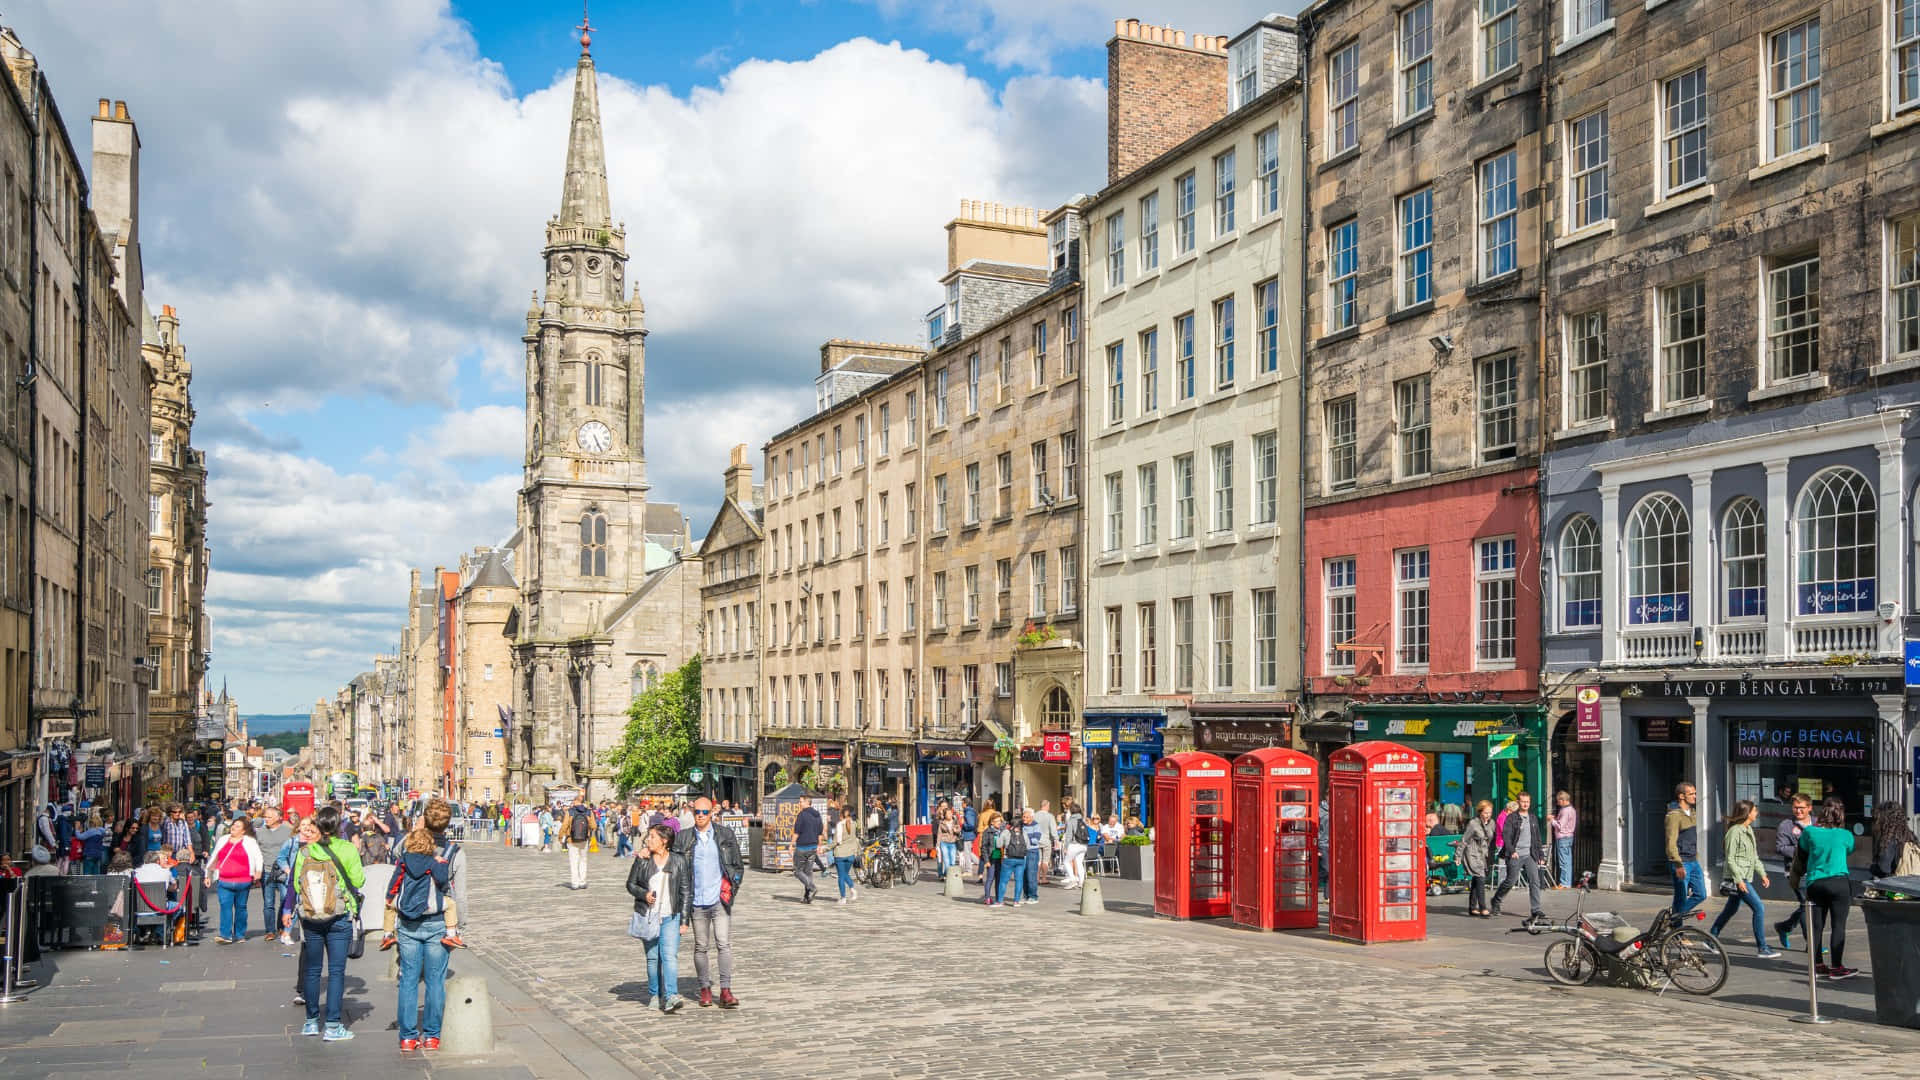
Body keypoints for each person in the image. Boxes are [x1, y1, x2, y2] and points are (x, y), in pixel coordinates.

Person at [289, 806, 367, 1041]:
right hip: (339, 916)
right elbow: (359, 880)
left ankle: (311, 1022)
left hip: (311, 917)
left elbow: (296, 886)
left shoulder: (305, 852)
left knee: (312, 971)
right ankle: (333, 1025)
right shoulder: (346, 849)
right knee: (336, 971)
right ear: (338, 825)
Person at [387, 811, 461, 1052]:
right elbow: (443, 882)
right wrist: (439, 864)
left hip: (408, 924)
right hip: (435, 923)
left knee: (408, 980)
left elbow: (393, 883)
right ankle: (431, 1036)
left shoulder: (403, 860)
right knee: (435, 981)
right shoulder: (434, 862)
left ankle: (408, 1037)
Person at [670, 797, 742, 1008]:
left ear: (712, 813)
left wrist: (732, 889)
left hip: (720, 900)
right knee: (701, 946)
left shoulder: (724, 835)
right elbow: (672, 864)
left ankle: (726, 990)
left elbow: (737, 865)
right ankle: (705, 989)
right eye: (697, 812)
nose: (700, 816)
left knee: (723, 944)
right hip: (697, 901)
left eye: (704, 812)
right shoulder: (684, 838)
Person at [627, 824, 689, 1013]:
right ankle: (655, 995)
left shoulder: (678, 861)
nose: (648, 840)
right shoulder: (643, 860)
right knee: (653, 958)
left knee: (669, 956)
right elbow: (630, 884)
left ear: (664, 840)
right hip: (649, 916)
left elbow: (685, 891)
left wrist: (685, 920)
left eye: (652, 837)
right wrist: (643, 894)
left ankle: (671, 995)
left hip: (671, 916)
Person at [1794, 798, 1857, 980]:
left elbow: (1803, 851)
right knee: (1838, 925)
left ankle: (1818, 965)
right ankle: (1837, 967)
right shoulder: (1846, 835)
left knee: (1816, 926)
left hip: (1816, 883)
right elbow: (1849, 850)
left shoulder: (1810, 832)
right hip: (1839, 883)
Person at [1708, 799, 1780, 958]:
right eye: (1754, 810)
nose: (1757, 813)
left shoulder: (1748, 831)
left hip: (1745, 876)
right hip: (1738, 878)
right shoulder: (1734, 832)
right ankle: (1762, 948)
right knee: (1759, 908)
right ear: (1747, 813)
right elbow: (1731, 858)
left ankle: (1711, 939)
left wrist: (1763, 873)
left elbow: (1754, 857)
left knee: (1731, 909)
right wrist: (1739, 880)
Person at [1490, 790, 1546, 923]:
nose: (1526, 804)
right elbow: (1506, 835)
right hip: (1515, 854)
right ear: (1518, 802)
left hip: (1530, 854)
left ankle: (1536, 909)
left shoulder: (1532, 818)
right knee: (1511, 880)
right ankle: (1496, 900)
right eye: (1523, 802)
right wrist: (1511, 850)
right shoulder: (1512, 817)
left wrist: (1540, 855)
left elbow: (1537, 838)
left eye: (1528, 802)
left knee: (1535, 880)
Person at [209, 816, 263, 944]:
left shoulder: (250, 841)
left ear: (244, 831)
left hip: (243, 881)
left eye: (238, 826)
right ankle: (225, 935)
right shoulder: (223, 839)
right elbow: (214, 857)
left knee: (241, 908)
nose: (233, 827)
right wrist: (208, 875)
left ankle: (239, 934)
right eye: (233, 825)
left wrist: (258, 871)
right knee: (225, 907)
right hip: (224, 880)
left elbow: (258, 856)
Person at [1772, 793, 1814, 951]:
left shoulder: (1817, 824)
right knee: (1806, 904)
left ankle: (1785, 926)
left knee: (1810, 905)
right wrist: (1802, 850)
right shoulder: (1786, 825)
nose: (1798, 811)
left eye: (1802, 808)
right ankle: (1811, 942)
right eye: (1795, 807)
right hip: (1796, 871)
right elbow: (1781, 848)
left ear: (1809, 808)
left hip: (1815, 871)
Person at [1665, 782, 1705, 916]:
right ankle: (1677, 932)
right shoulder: (1674, 816)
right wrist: (1678, 864)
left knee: (1701, 894)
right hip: (1681, 862)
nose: (1695, 796)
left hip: (1693, 860)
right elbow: (1671, 842)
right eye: (1691, 794)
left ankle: (1674, 917)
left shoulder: (1692, 812)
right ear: (1681, 796)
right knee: (1681, 898)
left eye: (1695, 793)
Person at [256, 806, 294, 943]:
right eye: (265, 817)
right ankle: (270, 931)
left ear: (279, 817)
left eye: (269, 817)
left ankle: (281, 926)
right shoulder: (259, 832)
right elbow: (256, 852)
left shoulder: (288, 831)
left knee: (285, 899)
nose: (266, 819)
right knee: (268, 903)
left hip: (284, 871)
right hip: (267, 871)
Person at [1456, 800, 1496, 917]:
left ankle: (1472, 907)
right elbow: (1464, 840)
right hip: (1472, 854)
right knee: (1481, 879)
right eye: (1485, 813)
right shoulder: (1473, 824)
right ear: (1480, 812)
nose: (1488, 815)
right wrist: (1458, 856)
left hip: (1483, 855)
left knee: (1476, 879)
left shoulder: (1492, 823)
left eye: (1489, 812)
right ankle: (1483, 908)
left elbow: (1491, 839)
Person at [1870, 803, 1920, 879]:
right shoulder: (1910, 836)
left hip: (1895, 886)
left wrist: (1872, 868)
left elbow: (1884, 869)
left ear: (1885, 820)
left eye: (1877, 819)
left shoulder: (1889, 840)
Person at [792, 799, 824, 903]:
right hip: (813, 847)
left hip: (802, 847)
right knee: (808, 872)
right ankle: (807, 896)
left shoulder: (802, 815)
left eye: (801, 801)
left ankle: (812, 887)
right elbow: (820, 833)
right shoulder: (817, 815)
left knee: (798, 871)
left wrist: (791, 844)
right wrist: (819, 845)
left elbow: (797, 831)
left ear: (807, 803)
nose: (799, 803)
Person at [830, 803, 860, 904]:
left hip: (840, 854)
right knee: (845, 874)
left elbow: (836, 842)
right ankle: (852, 890)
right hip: (850, 854)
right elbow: (855, 839)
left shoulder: (839, 825)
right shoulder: (854, 824)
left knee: (841, 876)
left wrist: (824, 849)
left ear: (842, 815)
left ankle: (843, 897)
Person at [565, 796, 594, 890]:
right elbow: (594, 825)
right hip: (584, 840)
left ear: (575, 801)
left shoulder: (570, 812)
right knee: (583, 860)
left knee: (574, 861)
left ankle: (575, 883)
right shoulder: (589, 812)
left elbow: (565, 825)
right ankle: (583, 882)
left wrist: (561, 836)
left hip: (572, 839)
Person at [1549, 792, 1577, 889]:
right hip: (1569, 837)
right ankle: (1567, 883)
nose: (1557, 803)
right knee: (1567, 861)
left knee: (1563, 861)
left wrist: (1551, 820)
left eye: (1558, 800)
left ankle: (1564, 883)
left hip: (1563, 838)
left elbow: (1560, 826)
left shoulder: (1565, 811)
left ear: (1563, 800)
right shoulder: (1572, 809)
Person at [1060, 798, 1089, 889]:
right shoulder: (1082, 820)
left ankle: (1073, 880)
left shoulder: (1071, 820)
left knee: (1066, 862)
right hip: (1083, 845)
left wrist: (1065, 847)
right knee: (1079, 863)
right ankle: (1081, 882)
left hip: (1074, 844)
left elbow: (1068, 835)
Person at [1019, 808, 1043, 904]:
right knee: (1023, 874)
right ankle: (1026, 895)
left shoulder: (1036, 826)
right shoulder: (1021, 825)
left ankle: (1033, 896)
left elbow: (1036, 840)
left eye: (1026, 817)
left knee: (1031, 874)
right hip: (1022, 852)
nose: (1024, 818)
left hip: (1032, 852)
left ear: (1031, 817)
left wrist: (1024, 837)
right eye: (1023, 816)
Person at [1033, 801, 1057, 884]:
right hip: (1046, 840)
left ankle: (1036, 878)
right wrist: (1056, 839)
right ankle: (1044, 878)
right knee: (1045, 860)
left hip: (1036, 840)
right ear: (1046, 806)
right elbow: (1053, 830)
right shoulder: (1050, 816)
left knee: (1038, 860)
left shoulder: (1035, 815)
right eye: (1049, 806)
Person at [935, 804, 959, 875]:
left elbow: (959, 829)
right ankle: (948, 875)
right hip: (944, 843)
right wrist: (938, 845)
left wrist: (956, 830)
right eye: (948, 813)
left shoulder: (955, 821)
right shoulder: (942, 823)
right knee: (946, 860)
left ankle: (947, 873)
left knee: (953, 861)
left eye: (950, 813)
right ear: (945, 815)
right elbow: (939, 834)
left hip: (953, 842)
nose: (950, 814)